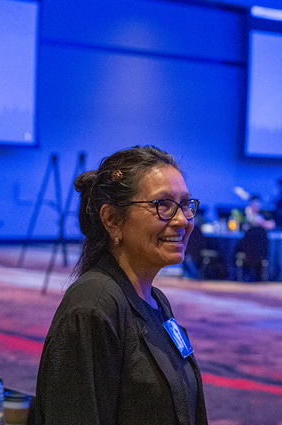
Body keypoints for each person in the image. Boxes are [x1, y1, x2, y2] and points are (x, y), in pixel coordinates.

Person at [34, 146, 208, 424]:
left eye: (186, 204)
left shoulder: (157, 301)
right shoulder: (94, 306)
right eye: (162, 205)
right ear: (112, 220)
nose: (182, 220)